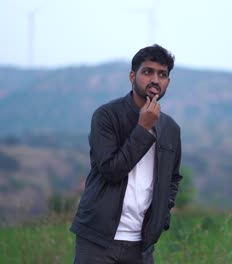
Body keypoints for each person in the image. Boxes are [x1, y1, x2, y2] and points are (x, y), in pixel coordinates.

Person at [70, 44, 183, 264]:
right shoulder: (106, 117)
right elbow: (111, 171)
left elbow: (173, 179)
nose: (155, 80)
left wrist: (162, 216)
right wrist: (143, 128)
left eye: (162, 74)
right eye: (147, 72)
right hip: (98, 240)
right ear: (133, 76)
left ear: (168, 82)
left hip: (141, 245)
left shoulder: (171, 128)